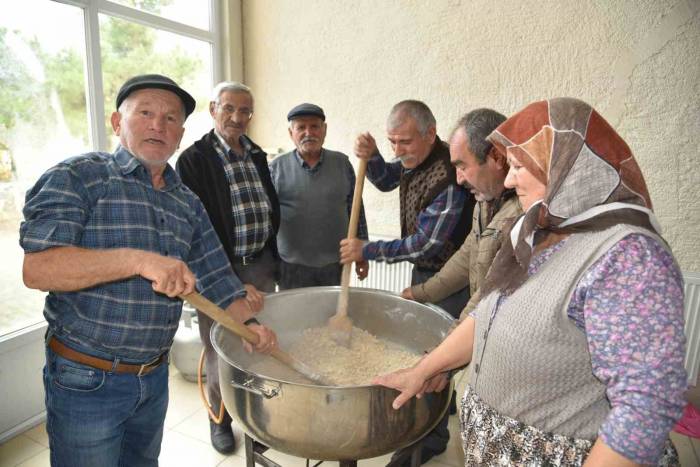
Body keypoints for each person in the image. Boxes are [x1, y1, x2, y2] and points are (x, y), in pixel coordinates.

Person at [374, 97, 687, 466]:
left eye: (519, 166)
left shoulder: (627, 256)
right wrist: (423, 371)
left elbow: (645, 407)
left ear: (564, 167)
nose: (508, 178)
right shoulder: (537, 232)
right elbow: (486, 314)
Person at [20, 74, 277, 467]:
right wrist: (139, 260)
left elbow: (219, 281)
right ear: (116, 122)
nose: (159, 125)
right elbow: (39, 269)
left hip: (153, 378)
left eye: (171, 119)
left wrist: (252, 324)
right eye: (145, 113)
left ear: (181, 134)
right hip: (86, 379)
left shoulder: (186, 202)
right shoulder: (79, 176)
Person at [340, 100, 475, 466]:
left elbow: (425, 243)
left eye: (405, 143)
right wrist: (373, 160)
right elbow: (388, 179)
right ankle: (438, 417)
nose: (398, 151)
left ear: (430, 133)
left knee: (433, 356)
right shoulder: (413, 158)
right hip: (426, 271)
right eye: (391, 142)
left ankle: (429, 439)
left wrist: (368, 250)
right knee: (430, 353)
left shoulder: (450, 176)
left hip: (452, 279)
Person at [176, 81, 279, 454]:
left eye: (245, 111)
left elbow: (268, 209)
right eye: (229, 108)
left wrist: (271, 261)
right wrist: (233, 282)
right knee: (220, 352)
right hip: (219, 272)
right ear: (213, 108)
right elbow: (195, 231)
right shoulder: (194, 160)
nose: (237, 117)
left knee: (258, 345)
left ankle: (255, 419)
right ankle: (219, 419)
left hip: (261, 266)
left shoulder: (257, 155)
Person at [401, 108, 522, 320]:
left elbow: (487, 296)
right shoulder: (484, 203)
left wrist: (448, 342)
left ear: (496, 157)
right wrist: (421, 292)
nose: (458, 179)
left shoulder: (521, 215)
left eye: (462, 166)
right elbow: (466, 257)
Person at [270, 102, 368, 289]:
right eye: (301, 127)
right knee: (294, 317)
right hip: (291, 267)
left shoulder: (342, 163)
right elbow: (268, 221)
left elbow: (356, 210)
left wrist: (362, 252)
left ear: (324, 130)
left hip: (335, 264)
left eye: (314, 126)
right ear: (291, 133)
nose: (309, 132)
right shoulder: (276, 168)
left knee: (331, 315)